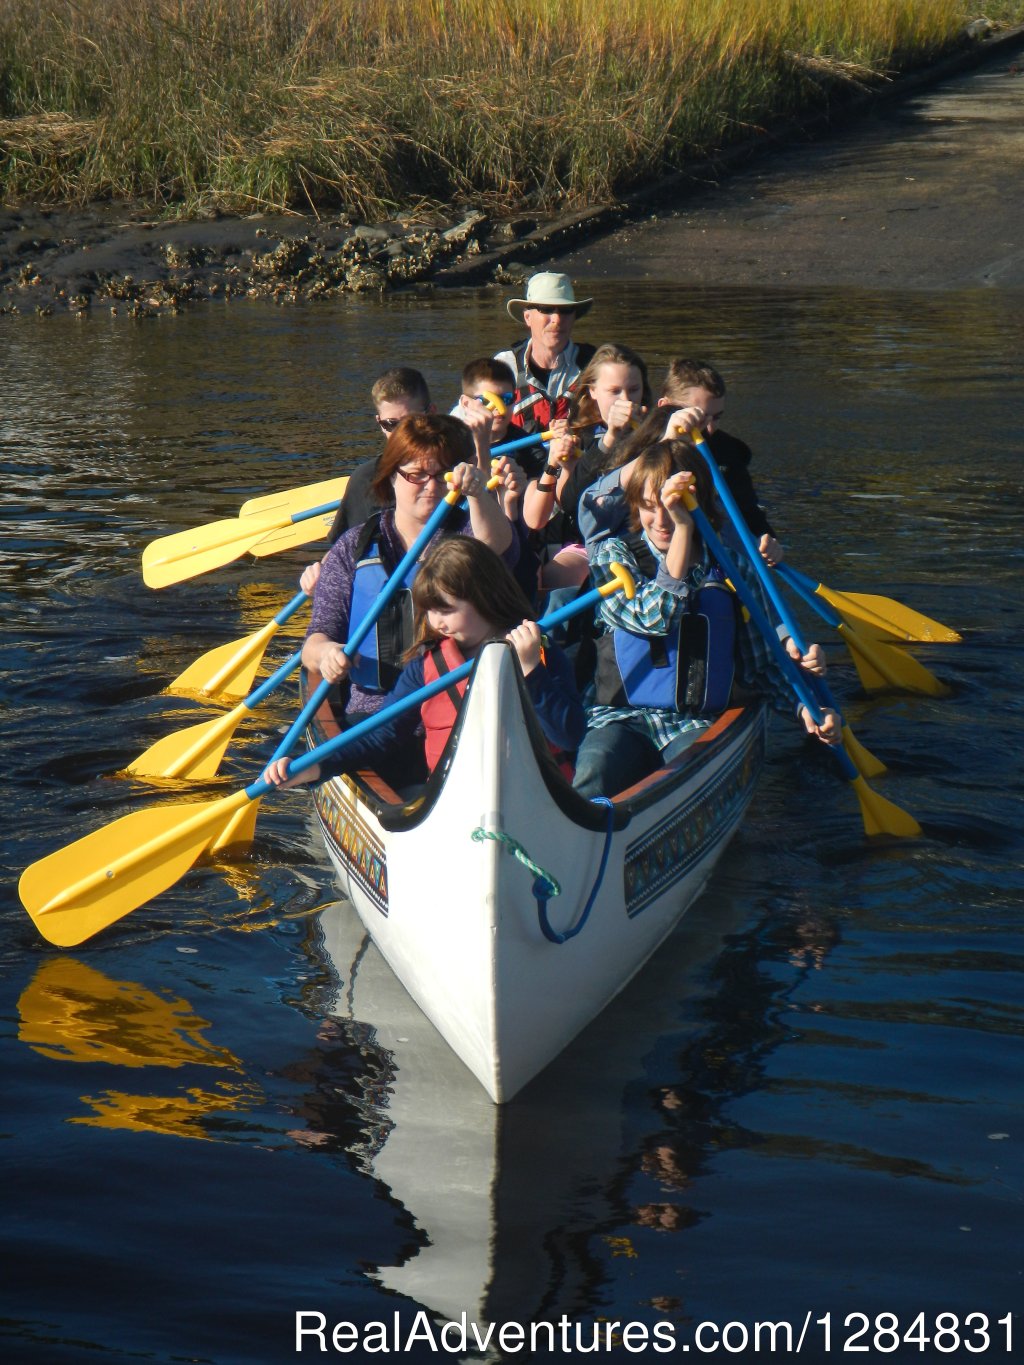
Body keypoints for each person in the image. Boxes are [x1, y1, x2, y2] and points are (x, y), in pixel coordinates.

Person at [572, 441, 838, 800]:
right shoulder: (615, 558)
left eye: (675, 508)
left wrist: (805, 706)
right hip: (620, 716)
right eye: (650, 507)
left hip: (696, 722)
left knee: (686, 780)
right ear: (635, 505)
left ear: (701, 505)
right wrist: (683, 530)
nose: (662, 521)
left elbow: (760, 667)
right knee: (593, 771)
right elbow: (653, 619)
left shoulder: (733, 570)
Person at [264, 538, 584, 794]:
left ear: (484, 596)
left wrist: (532, 672)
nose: (436, 622)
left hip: (538, 798)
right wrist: (315, 766)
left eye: (446, 610)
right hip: (455, 798)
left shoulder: (538, 652)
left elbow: (570, 735)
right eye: (430, 611)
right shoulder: (425, 668)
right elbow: (381, 734)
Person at [301, 415, 518, 788]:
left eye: (442, 475)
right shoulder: (353, 546)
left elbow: (496, 544)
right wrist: (327, 656)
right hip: (374, 719)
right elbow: (315, 640)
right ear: (391, 476)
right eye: (416, 474)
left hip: (458, 715)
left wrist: (479, 493)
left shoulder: (468, 537)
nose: (431, 487)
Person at [562, 358, 782, 565]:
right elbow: (587, 509)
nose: (709, 429)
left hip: (707, 560)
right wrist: (667, 442)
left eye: (716, 417)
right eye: (697, 416)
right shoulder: (633, 445)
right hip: (642, 560)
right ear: (665, 405)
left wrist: (767, 542)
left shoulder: (727, 452)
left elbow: (746, 513)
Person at [495, 271, 596, 435]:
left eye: (566, 310)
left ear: (574, 317)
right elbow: (464, 419)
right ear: (527, 317)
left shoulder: (596, 366)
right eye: (546, 309)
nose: (557, 319)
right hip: (516, 460)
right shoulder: (503, 367)